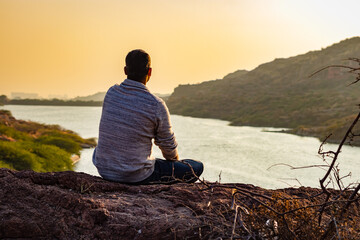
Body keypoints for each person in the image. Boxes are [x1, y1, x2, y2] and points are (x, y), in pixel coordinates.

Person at [92, 49, 203, 184]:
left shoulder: (111, 93)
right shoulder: (156, 104)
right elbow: (168, 147)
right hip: (136, 175)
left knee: (155, 162)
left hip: (104, 170)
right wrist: (175, 164)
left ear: (125, 70)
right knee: (196, 166)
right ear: (149, 72)